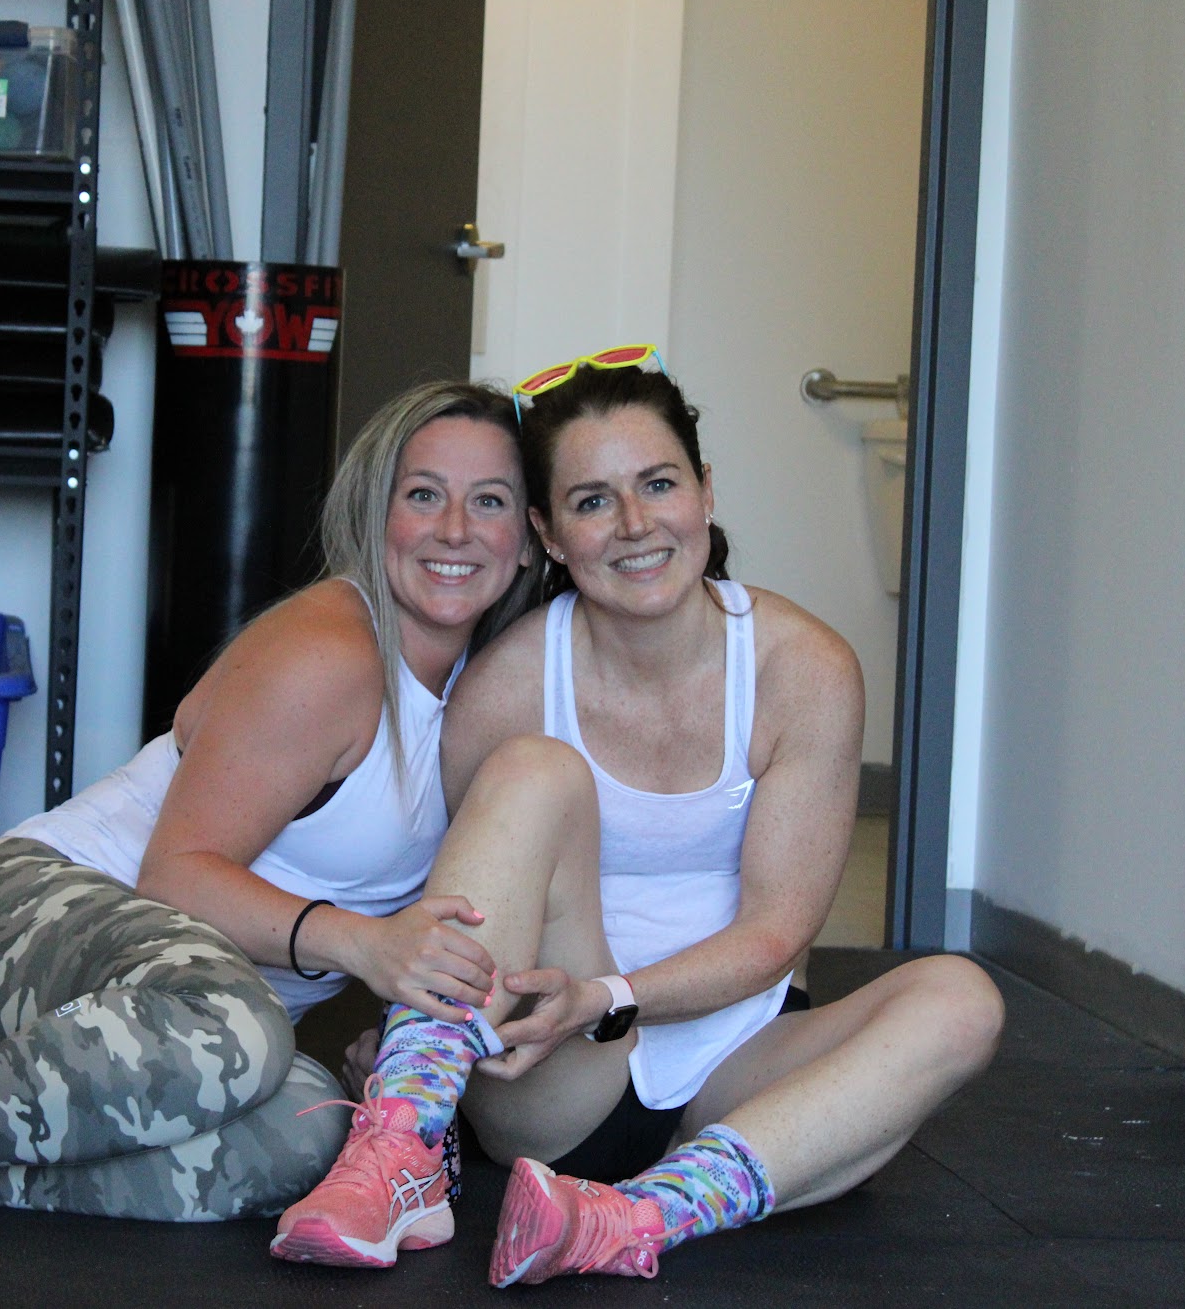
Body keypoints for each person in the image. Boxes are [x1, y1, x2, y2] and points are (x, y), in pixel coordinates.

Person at [0, 379, 540, 1245]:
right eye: (423, 494)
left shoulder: (492, 692)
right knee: (242, 1029)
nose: (455, 530)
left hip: (174, 1036)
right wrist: (365, 943)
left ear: (527, 537)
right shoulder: (328, 652)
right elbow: (176, 876)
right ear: (375, 513)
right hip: (23, 924)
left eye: (490, 501)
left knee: (309, 1130)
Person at [271, 347, 1005, 1282]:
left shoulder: (803, 668)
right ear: (548, 532)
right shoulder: (507, 686)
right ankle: (402, 1148)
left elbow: (775, 934)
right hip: (559, 1072)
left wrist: (610, 997)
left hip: (743, 1059)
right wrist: (425, 1046)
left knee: (962, 999)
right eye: (592, 501)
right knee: (534, 770)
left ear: (705, 491)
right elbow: (469, 897)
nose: (634, 524)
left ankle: (628, 1219)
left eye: (658, 484)